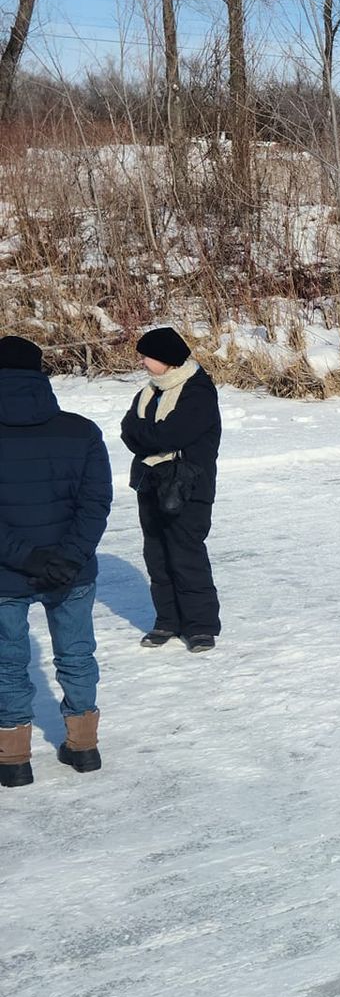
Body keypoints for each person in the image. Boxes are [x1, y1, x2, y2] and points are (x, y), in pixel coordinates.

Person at [0, 336, 111, 787]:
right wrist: (67, 558)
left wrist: (28, 557)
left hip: (6, 574)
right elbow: (96, 503)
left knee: (7, 662)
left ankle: (14, 758)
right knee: (77, 654)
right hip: (72, 572)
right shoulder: (81, 430)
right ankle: (84, 747)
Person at [120, 326, 221, 652]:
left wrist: (145, 434)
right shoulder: (152, 391)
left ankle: (200, 627)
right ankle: (167, 621)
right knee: (157, 555)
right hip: (150, 483)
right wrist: (147, 434)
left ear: (167, 359)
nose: (144, 362)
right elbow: (127, 430)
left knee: (185, 555)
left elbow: (168, 436)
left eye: (148, 357)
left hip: (187, 485)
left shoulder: (198, 391)